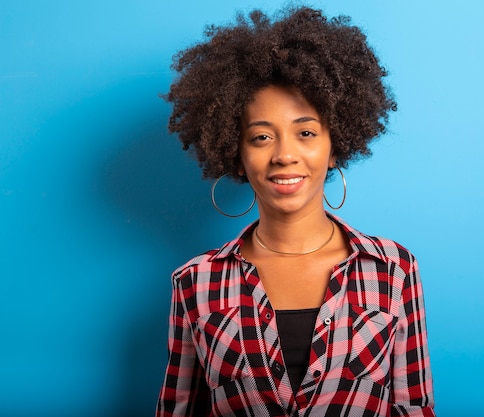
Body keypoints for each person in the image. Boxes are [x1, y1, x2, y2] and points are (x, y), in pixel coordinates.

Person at [156, 6, 435, 417]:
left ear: (335, 144)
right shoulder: (195, 283)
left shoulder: (393, 270)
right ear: (236, 155)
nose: (285, 155)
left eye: (305, 133)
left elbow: (415, 408)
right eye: (261, 136)